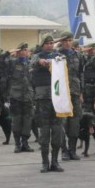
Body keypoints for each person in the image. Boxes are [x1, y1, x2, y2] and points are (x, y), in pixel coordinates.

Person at [31, 34, 65, 173]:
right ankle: (45, 162)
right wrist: (41, 62)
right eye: (47, 43)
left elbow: (65, 64)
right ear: (43, 44)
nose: (50, 45)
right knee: (44, 131)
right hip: (43, 98)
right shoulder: (37, 55)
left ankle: (55, 162)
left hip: (57, 97)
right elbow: (33, 62)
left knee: (57, 130)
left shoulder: (59, 56)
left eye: (52, 43)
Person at [56, 31, 84, 160]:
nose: (67, 43)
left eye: (69, 40)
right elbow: (39, 52)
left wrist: (81, 92)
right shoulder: (56, 54)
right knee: (62, 123)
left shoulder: (78, 55)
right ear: (61, 41)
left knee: (75, 122)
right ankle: (64, 151)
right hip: (61, 93)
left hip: (75, 92)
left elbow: (81, 74)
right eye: (65, 40)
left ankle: (72, 150)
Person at [6, 42, 35, 153]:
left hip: (28, 96)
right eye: (21, 50)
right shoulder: (12, 63)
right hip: (16, 96)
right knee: (17, 120)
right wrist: (9, 52)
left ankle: (25, 143)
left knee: (28, 120)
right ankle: (17, 143)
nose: (24, 52)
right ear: (17, 52)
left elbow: (33, 80)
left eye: (25, 50)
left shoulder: (30, 63)